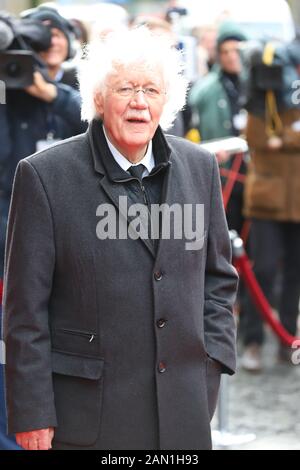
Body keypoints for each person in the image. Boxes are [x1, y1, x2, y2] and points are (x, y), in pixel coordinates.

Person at [3, 27, 238, 451]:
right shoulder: (43, 176)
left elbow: (218, 281)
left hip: (183, 412)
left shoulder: (200, 167)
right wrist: (33, 410)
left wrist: (211, 366)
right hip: (87, 418)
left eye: (151, 89)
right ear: (96, 97)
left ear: (167, 101)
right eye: (125, 88)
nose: (138, 103)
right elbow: (24, 310)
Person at [188, 21, 247, 234]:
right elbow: (194, 131)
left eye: (237, 50)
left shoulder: (256, 84)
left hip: (252, 173)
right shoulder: (206, 90)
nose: (232, 56)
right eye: (226, 51)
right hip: (222, 172)